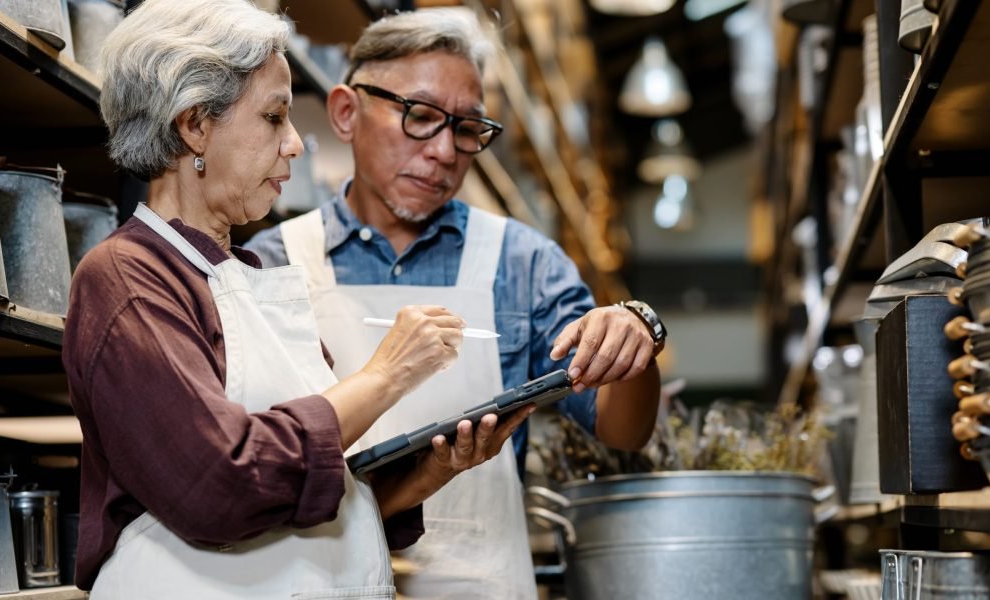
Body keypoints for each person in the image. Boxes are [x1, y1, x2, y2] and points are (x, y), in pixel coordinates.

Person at [61, 1, 529, 598]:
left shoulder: (255, 280)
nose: (294, 145)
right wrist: (388, 374)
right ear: (195, 124)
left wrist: (435, 469)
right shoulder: (127, 278)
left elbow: (317, 495)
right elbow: (219, 485)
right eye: (275, 117)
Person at [246, 8, 665, 597]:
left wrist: (635, 343)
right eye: (419, 117)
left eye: (468, 129)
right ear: (346, 111)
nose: (445, 151)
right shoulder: (268, 265)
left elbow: (623, 431)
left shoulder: (523, 263)